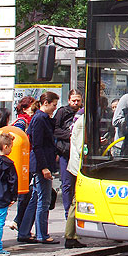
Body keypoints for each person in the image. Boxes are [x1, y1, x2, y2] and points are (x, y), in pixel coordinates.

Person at [18, 91, 59, 244]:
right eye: (53, 105)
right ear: (46, 103)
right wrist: (44, 167)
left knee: (36, 198)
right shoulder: (40, 119)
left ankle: (24, 232)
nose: (55, 108)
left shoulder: (42, 118)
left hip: (41, 162)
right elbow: (37, 145)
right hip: (41, 164)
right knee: (44, 199)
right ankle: (42, 234)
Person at [8, 95, 37, 232]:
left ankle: (18, 221)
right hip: (24, 161)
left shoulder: (29, 119)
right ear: (26, 107)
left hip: (27, 160)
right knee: (24, 193)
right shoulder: (22, 121)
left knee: (26, 193)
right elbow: (17, 139)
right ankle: (19, 221)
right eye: (32, 105)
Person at [53, 89, 82, 218]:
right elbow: (55, 130)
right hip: (65, 152)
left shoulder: (83, 113)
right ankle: (67, 212)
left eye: (78, 100)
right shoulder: (62, 112)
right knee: (67, 183)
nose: (76, 103)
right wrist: (70, 135)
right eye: (73, 100)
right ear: (69, 100)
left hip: (79, 153)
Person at [63, 113, 86, 249]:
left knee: (76, 200)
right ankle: (70, 235)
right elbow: (81, 148)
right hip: (80, 168)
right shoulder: (84, 121)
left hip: (78, 166)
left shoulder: (83, 119)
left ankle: (72, 235)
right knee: (76, 201)